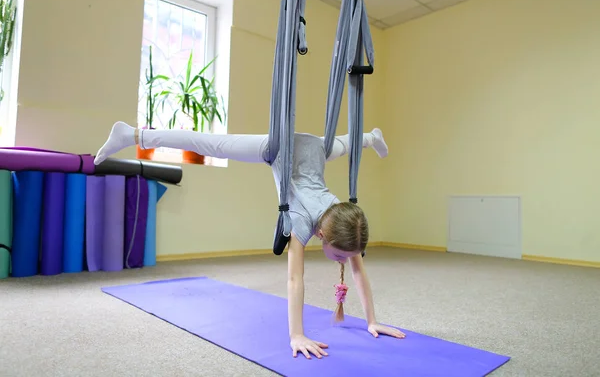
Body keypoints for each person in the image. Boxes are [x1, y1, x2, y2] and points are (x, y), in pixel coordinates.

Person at [93, 121, 406, 359]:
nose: (343, 261)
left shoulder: (344, 217)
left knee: (341, 145)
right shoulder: (301, 219)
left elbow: (358, 269)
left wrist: (372, 321)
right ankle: (131, 134)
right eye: (339, 256)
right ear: (321, 234)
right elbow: (295, 278)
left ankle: (371, 137)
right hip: (282, 149)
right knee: (211, 144)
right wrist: (297, 334)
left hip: (314, 150)